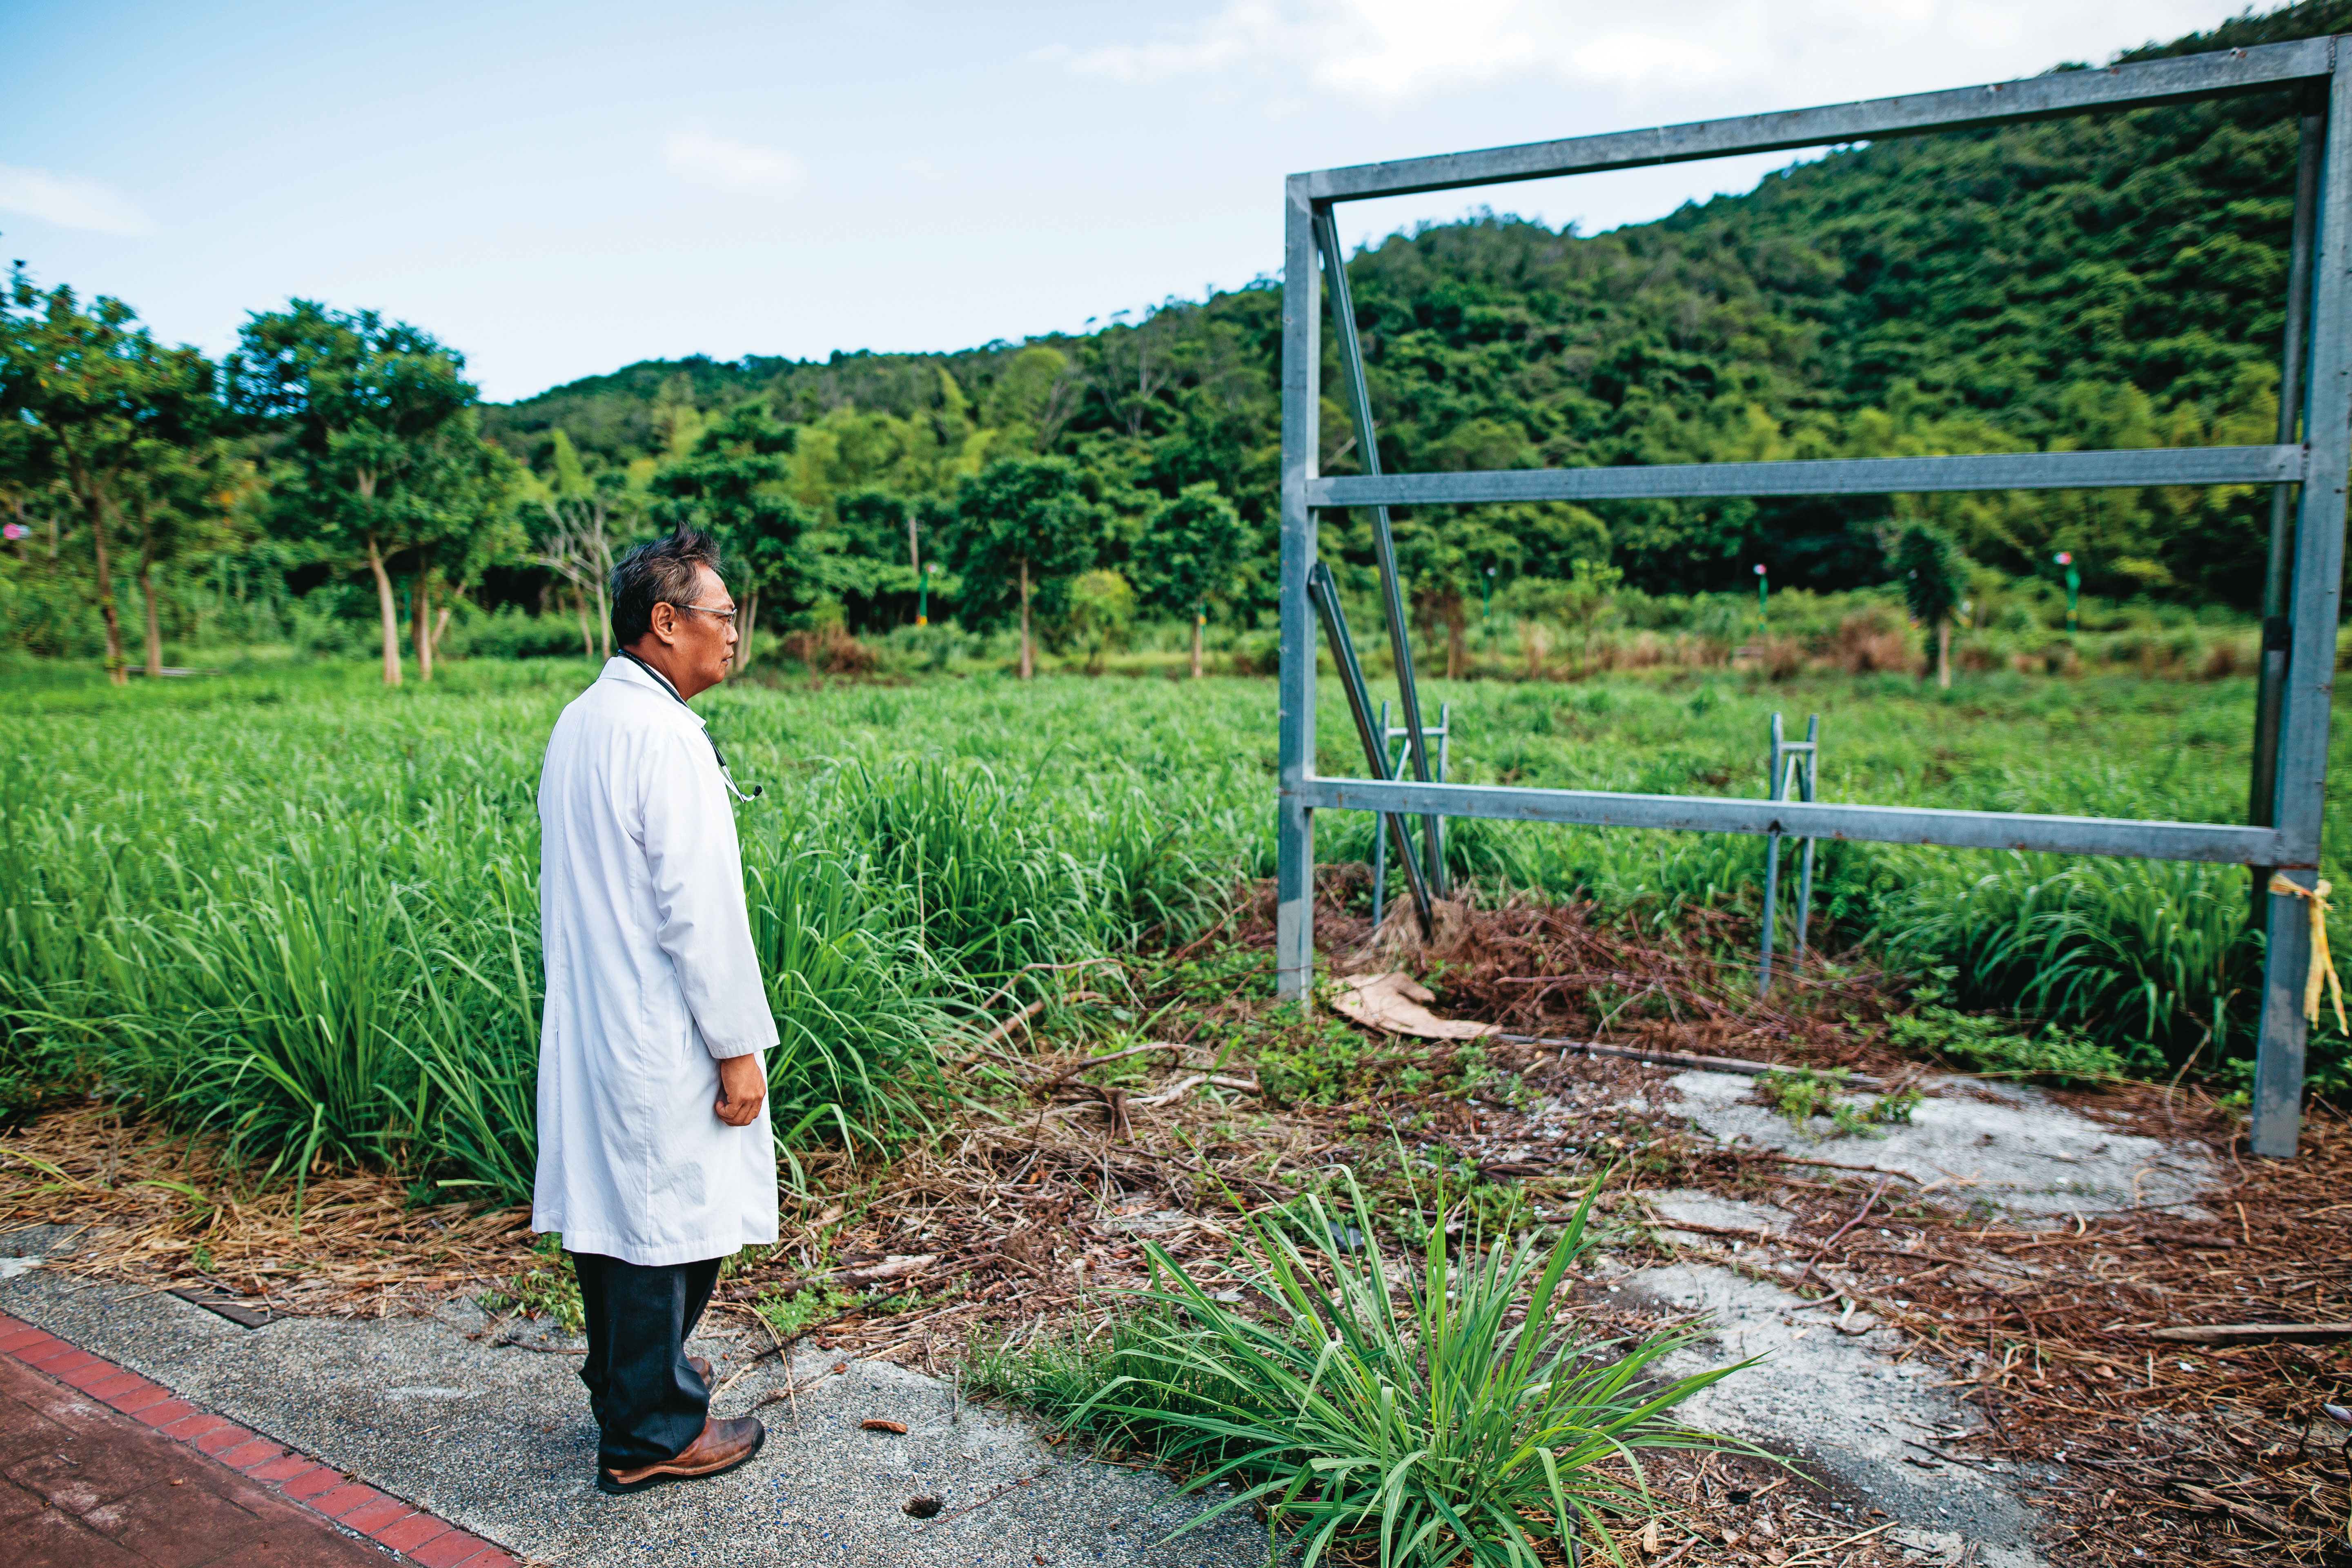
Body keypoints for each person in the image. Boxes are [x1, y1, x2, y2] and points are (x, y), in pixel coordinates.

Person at [533, 527, 777, 1496]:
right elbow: (701, 914)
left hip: (600, 1014)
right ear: (664, 623)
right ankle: (651, 1431)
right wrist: (736, 1049)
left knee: (623, 1218)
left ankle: (635, 1378)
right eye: (721, 616)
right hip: (655, 1022)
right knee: (665, 1226)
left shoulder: (585, 719)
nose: (732, 635)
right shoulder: (663, 734)